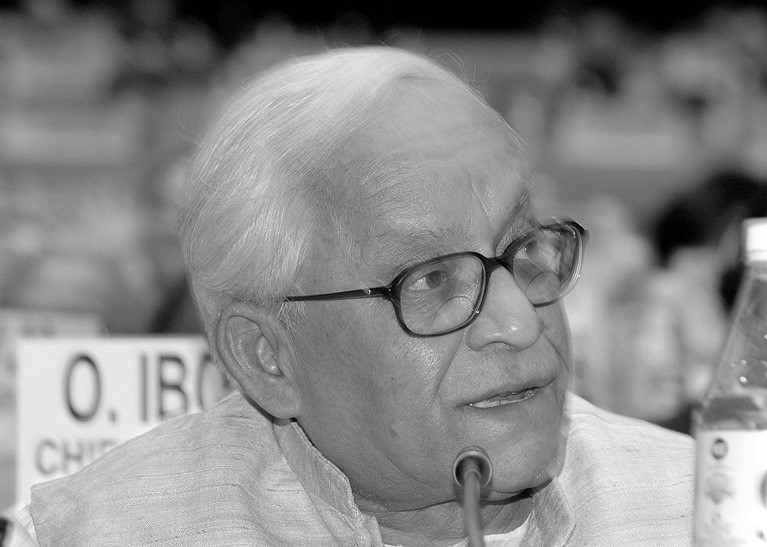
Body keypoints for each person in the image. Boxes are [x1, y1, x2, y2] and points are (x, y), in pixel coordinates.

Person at [7, 46, 693, 546]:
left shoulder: (706, 512)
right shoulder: (103, 530)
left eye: (524, 250)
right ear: (267, 358)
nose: (519, 322)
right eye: (431, 280)